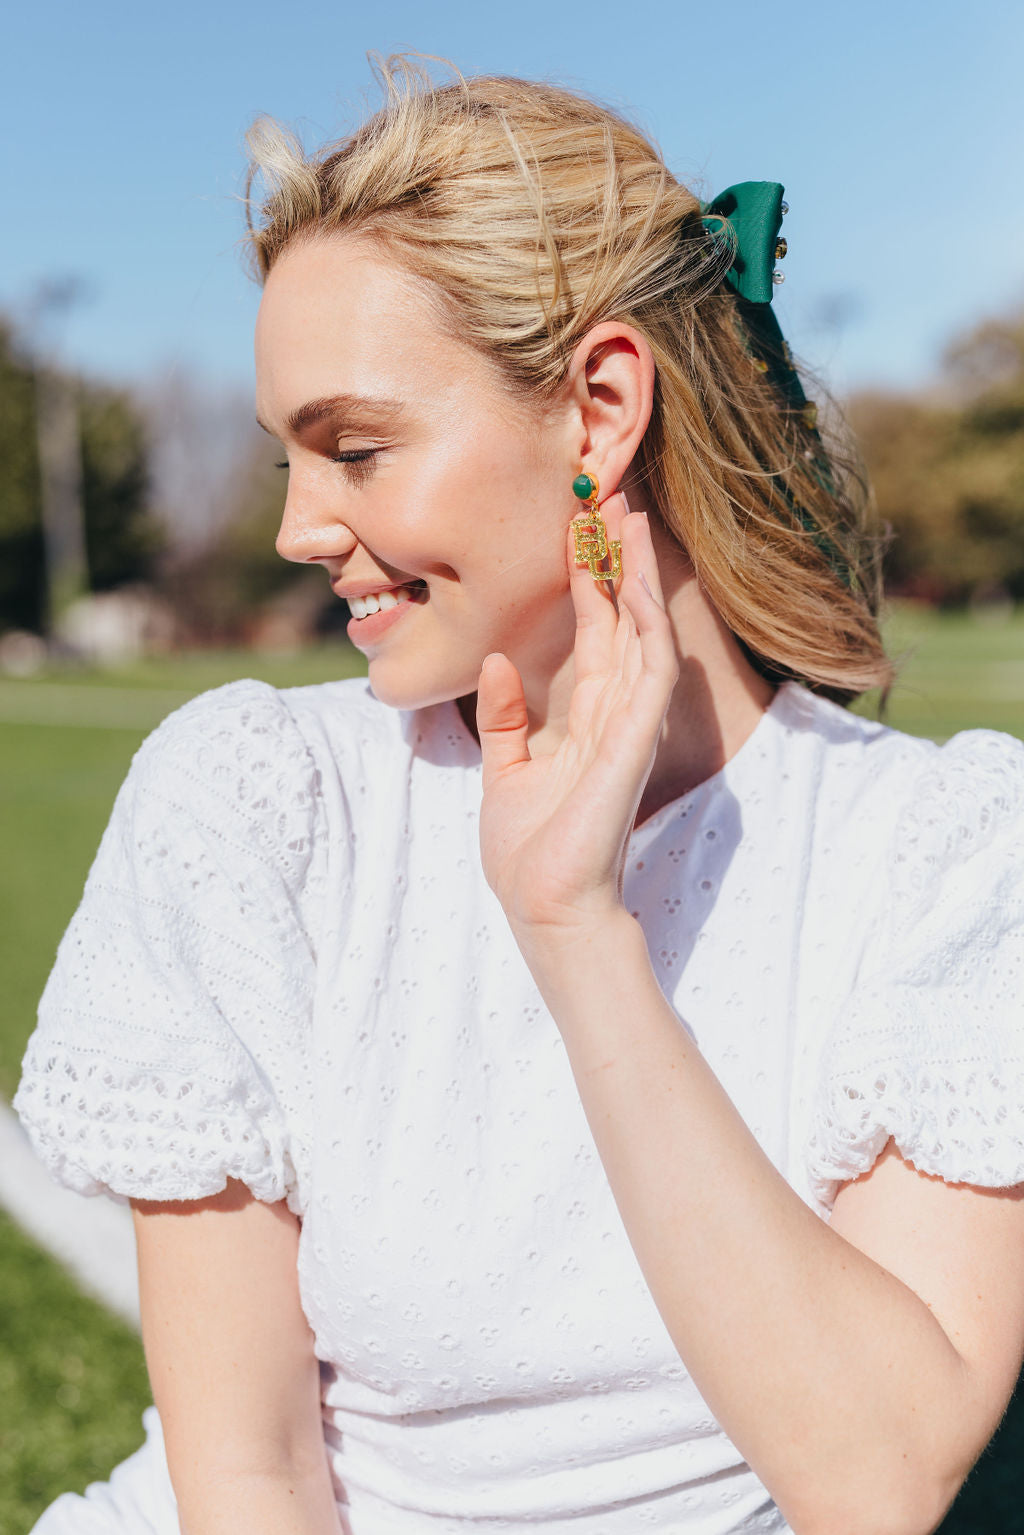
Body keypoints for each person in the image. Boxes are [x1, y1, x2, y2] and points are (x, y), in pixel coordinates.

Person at [14, 55, 1024, 1535]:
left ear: (602, 407)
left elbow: (876, 1478)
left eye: (354, 448)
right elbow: (248, 1477)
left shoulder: (938, 853)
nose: (299, 529)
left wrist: (577, 930)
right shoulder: (257, 803)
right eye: (286, 459)